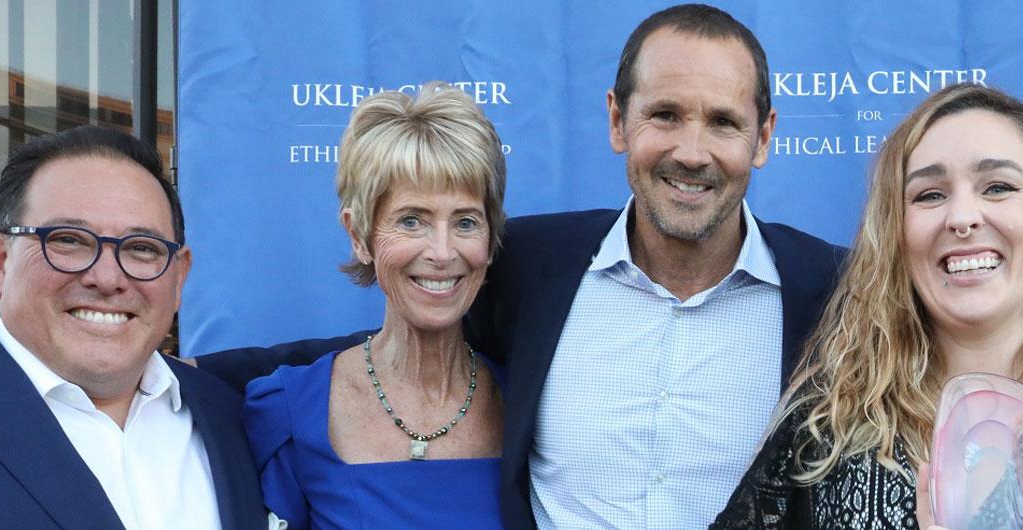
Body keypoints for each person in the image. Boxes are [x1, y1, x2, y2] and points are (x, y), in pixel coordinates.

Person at [196, 4, 847, 529]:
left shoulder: (831, 293)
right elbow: (407, 324)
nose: (692, 150)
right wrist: (181, 368)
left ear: (763, 137)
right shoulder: (535, 267)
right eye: (665, 115)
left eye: (724, 122)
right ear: (619, 120)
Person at [711, 83, 1023, 529]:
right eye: (929, 195)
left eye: (997, 187)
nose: (961, 216)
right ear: (898, 234)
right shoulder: (826, 418)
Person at [0, 125, 266, 529]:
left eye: (142, 248)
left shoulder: (237, 417)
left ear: (179, 277)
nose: (108, 277)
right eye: (69, 240)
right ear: (0, 261)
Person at [240, 84, 509, 529]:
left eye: (464, 221)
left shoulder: (528, 405)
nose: (442, 252)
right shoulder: (291, 411)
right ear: (359, 235)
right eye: (411, 220)